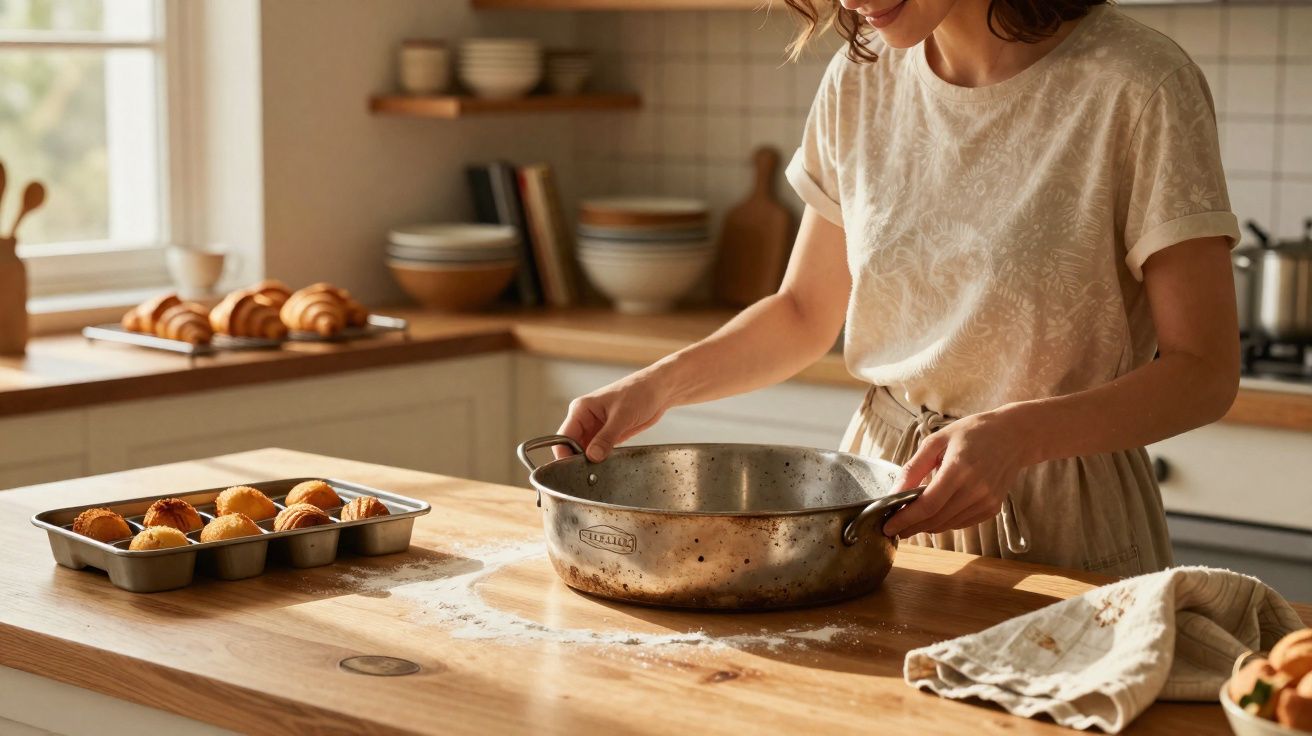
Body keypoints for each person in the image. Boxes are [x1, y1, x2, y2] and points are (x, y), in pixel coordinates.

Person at [555, 0, 1240, 577]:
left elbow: (1204, 371)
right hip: (879, 505)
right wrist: (651, 389)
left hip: (1063, 518)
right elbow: (802, 312)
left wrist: (1019, 437)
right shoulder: (861, 76)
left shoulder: (1140, 83)